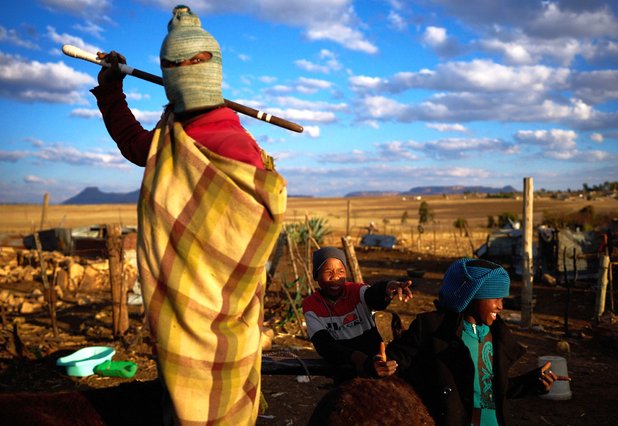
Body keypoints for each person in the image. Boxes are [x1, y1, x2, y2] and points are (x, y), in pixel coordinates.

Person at [91, 5, 287, 425]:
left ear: (210, 66)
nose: (182, 68)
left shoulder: (233, 146)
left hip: (220, 314)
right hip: (178, 318)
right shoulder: (172, 135)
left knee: (214, 399)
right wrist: (110, 93)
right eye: (173, 63)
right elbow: (135, 145)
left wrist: (111, 92)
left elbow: (253, 225)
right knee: (181, 398)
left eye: (190, 61)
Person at [386, 258, 570, 426]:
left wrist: (533, 382)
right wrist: (379, 363)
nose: (501, 306)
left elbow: (489, 390)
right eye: (495, 298)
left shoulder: (497, 335)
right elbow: (395, 362)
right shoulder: (433, 329)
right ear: (472, 296)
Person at [302, 247, 413, 379]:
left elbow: (373, 296)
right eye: (328, 272)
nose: (335, 277)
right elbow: (324, 345)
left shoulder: (357, 291)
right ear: (316, 275)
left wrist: (386, 289)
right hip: (344, 369)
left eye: (340, 271)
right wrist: (361, 360)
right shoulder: (311, 305)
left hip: (377, 360)